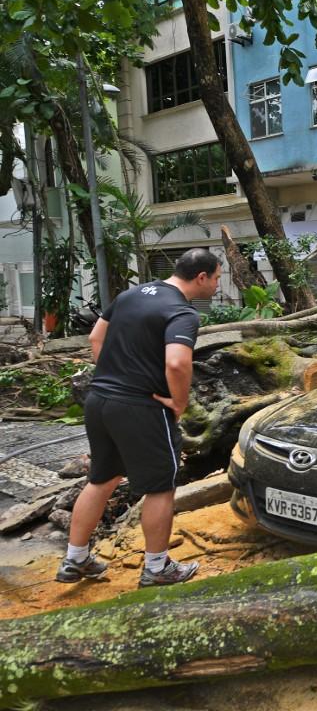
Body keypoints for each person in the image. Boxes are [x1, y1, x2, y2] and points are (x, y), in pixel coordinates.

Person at [56, 248, 223, 587]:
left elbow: (96, 337)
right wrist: (177, 403)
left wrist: (114, 375)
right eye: (218, 278)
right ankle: (158, 567)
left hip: (100, 399)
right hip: (142, 407)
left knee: (102, 478)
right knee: (162, 486)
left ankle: (75, 558)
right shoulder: (182, 312)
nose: (218, 286)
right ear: (202, 277)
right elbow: (177, 363)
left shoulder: (131, 294)